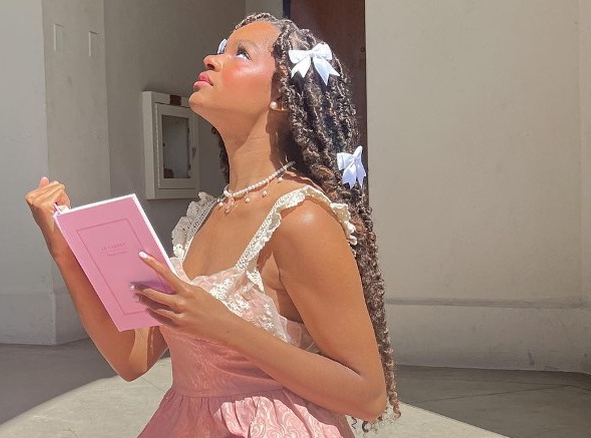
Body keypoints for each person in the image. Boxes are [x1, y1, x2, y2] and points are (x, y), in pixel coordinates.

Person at [26, 12, 400, 437]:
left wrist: (225, 326)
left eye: (241, 54)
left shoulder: (302, 218)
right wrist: (65, 253)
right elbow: (132, 360)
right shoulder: (200, 220)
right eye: (222, 49)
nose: (211, 58)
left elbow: (368, 395)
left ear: (281, 96)